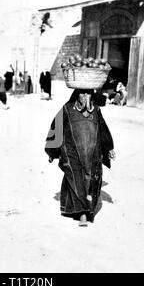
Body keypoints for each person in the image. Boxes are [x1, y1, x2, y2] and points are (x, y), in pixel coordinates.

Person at [45, 89, 115, 227]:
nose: (85, 97)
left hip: (93, 153)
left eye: (88, 93)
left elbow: (103, 129)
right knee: (76, 179)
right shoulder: (67, 109)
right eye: (82, 93)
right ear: (76, 94)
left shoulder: (96, 110)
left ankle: (81, 208)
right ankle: (83, 213)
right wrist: (52, 152)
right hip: (71, 151)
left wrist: (110, 148)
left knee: (91, 181)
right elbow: (56, 127)